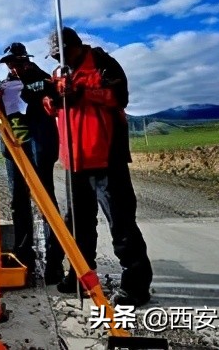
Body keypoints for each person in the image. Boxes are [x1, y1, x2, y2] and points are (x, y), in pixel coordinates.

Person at [43, 27, 153, 306]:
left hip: (106, 158)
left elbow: (119, 97)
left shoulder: (103, 64)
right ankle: (80, 274)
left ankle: (136, 285)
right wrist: (52, 99)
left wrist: (82, 92)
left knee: (121, 222)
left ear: (75, 47)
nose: (57, 59)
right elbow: (51, 107)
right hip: (74, 160)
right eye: (54, 56)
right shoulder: (58, 74)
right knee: (78, 224)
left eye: (60, 53)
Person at [0, 42, 64, 284]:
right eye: (9, 64)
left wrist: (34, 90)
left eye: (17, 62)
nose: (13, 67)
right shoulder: (5, 86)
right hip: (14, 149)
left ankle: (54, 262)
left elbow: (54, 95)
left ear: (26, 60)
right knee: (18, 202)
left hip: (38, 148)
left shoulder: (43, 80)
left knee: (45, 202)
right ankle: (23, 256)